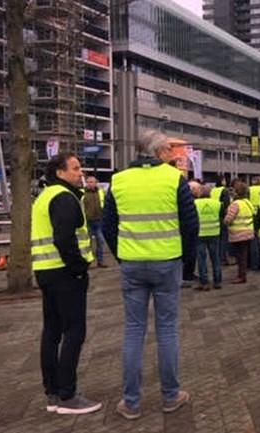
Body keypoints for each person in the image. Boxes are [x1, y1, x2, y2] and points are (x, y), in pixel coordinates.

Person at [103, 130, 197, 419]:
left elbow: (108, 226)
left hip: (132, 263)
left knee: (133, 331)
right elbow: (191, 226)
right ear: (158, 152)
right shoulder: (174, 180)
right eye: (169, 149)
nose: (172, 153)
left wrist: (123, 256)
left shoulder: (118, 181)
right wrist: (188, 266)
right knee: (167, 330)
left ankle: (131, 402)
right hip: (167, 262)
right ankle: (170, 396)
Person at [32, 152, 100, 415]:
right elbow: (64, 238)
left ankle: (52, 393)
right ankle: (67, 395)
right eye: (75, 168)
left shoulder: (44, 197)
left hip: (46, 271)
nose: (80, 173)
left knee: (51, 332)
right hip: (65, 274)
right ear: (60, 173)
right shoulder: (64, 198)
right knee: (74, 331)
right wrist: (79, 268)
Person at [193, 183, 223, 290]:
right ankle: (217, 281)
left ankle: (204, 282)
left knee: (201, 259)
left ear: (200, 192)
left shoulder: (195, 203)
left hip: (200, 234)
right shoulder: (217, 203)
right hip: (214, 233)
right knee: (215, 258)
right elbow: (222, 217)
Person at [224, 182, 255, 283]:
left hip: (237, 234)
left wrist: (225, 221)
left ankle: (241, 276)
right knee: (244, 255)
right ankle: (242, 274)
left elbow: (228, 219)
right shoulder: (248, 203)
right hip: (248, 232)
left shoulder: (235, 204)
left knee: (240, 257)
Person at [82, 175, 107, 268]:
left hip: (99, 221)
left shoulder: (100, 192)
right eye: (89, 182)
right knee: (88, 243)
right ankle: (88, 262)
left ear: (96, 183)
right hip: (87, 222)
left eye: (93, 182)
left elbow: (104, 204)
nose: (91, 184)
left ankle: (100, 261)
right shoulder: (82, 193)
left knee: (101, 242)